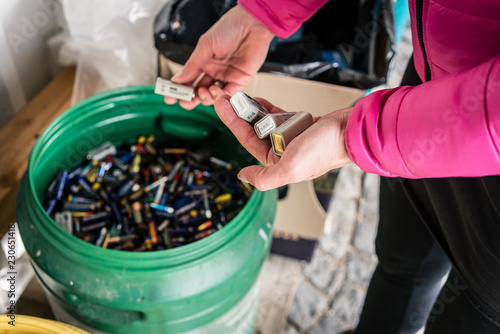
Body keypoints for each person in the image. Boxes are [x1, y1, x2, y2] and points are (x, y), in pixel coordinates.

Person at [164, 1, 500, 333]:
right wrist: (264, 13)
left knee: (463, 313)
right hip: (426, 93)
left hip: (471, 165)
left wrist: (353, 135)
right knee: (400, 263)